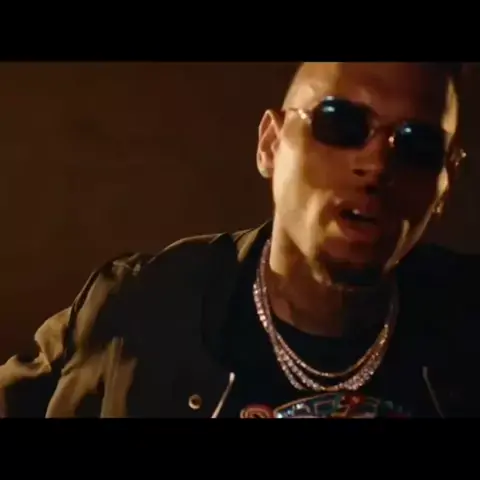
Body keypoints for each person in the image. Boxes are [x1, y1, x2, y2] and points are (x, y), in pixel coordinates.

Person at [0, 62, 478, 418]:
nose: (376, 165)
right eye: (341, 123)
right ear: (270, 144)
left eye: (418, 145)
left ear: (446, 181)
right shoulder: (135, 307)